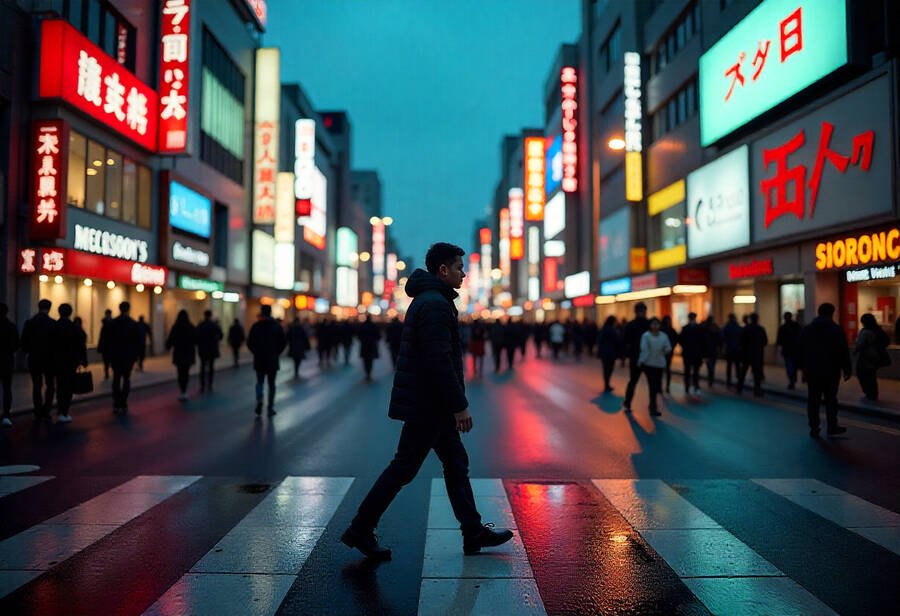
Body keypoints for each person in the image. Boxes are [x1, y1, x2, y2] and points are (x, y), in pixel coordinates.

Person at [341, 242, 512, 561]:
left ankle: (472, 531)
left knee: (453, 463)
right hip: (430, 406)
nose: (464, 272)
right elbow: (438, 360)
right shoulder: (434, 304)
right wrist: (459, 404)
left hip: (430, 403)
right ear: (443, 270)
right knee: (405, 468)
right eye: (459, 267)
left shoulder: (432, 300)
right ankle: (361, 528)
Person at [799, 303, 851, 437]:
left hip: (813, 370)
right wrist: (847, 368)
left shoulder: (808, 329)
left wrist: (803, 368)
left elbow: (800, 350)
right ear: (832, 313)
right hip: (831, 370)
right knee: (831, 399)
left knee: (813, 400)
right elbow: (843, 350)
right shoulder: (836, 329)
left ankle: (814, 427)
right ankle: (832, 426)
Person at [247, 304, 287, 416]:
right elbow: (283, 342)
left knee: (259, 382)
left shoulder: (256, 326)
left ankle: (259, 399)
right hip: (272, 360)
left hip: (259, 359)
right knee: (271, 384)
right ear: (270, 312)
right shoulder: (277, 326)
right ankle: (270, 407)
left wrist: (256, 352)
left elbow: (250, 342)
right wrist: (276, 353)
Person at [20, 299, 56, 419]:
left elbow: (24, 343)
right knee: (50, 385)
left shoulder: (30, 323)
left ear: (38, 307)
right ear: (49, 308)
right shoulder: (53, 323)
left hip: (34, 358)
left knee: (37, 385)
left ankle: (37, 410)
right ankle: (47, 410)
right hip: (49, 359)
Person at [53, 304, 87, 424]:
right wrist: (83, 360)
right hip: (70, 362)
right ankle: (64, 411)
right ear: (70, 313)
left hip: (56, 361)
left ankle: (59, 407)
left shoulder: (54, 326)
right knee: (68, 386)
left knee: (59, 384)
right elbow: (81, 344)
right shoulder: (75, 327)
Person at [108, 302, 143, 414]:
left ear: (119, 309)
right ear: (129, 309)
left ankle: (116, 403)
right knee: (126, 378)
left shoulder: (113, 323)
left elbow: (108, 341)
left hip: (116, 356)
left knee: (116, 378)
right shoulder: (133, 324)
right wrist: (136, 356)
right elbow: (139, 342)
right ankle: (123, 402)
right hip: (128, 356)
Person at [638, 317, 672, 417]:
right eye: (653, 324)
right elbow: (644, 349)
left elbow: (668, 348)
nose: (655, 326)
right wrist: (641, 360)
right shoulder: (646, 336)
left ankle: (652, 405)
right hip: (649, 364)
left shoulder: (663, 336)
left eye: (657, 324)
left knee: (656, 385)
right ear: (650, 325)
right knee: (652, 386)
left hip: (659, 364)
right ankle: (653, 407)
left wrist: (663, 351)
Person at [622, 303, 650, 413]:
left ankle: (628, 403)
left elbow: (625, 341)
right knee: (649, 382)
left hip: (637, 357)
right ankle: (652, 406)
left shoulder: (631, 325)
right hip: (644, 357)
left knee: (633, 381)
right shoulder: (649, 324)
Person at [855, 313, 890, 402]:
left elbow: (861, 344)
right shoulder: (878, 330)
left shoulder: (866, 331)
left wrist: (856, 350)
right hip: (875, 357)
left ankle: (869, 393)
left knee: (863, 375)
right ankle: (873, 394)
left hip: (866, 357)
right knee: (871, 376)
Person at [167, 310, 196, 401]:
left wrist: (168, 346)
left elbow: (171, 339)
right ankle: (185, 391)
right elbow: (196, 339)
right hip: (188, 353)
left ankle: (182, 390)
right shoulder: (190, 326)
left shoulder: (176, 327)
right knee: (186, 372)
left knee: (180, 372)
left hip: (179, 353)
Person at [737, 313, 768, 397]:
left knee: (744, 371)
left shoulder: (746, 329)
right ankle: (757, 390)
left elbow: (741, 342)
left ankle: (739, 387)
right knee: (756, 373)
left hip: (747, 354)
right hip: (756, 354)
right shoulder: (760, 329)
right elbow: (765, 342)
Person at [195, 310, 223, 393]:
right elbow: (221, 335)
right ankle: (210, 384)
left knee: (202, 367)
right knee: (211, 367)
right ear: (211, 315)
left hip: (203, 349)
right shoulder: (214, 325)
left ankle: (202, 385)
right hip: (212, 349)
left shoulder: (201, 325)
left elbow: (196, 336)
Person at [0, 303, 18, 427]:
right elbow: (16, 344)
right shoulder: (11, 326)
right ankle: (6, 415)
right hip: (6, 361)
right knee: (7, 389)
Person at [679, 313, 704, 395]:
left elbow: (703, 341)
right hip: (689, 353)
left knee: (694, 371)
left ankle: (694, 386)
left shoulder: (698, 328)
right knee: (689, 371)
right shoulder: (686, 328)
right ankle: (689, 387)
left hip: (694, 353)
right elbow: (681, 340)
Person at [776, 312, 802, 389]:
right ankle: (793, 380)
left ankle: (792, 380)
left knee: (790, 366)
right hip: (795, 350)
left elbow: (779, 340)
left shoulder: (783, 327)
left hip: (788, 350)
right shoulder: (796, 326)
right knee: (793, 366)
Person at [596, 315, 619, 393]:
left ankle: (606, 384)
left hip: (604, 353)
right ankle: (607, 384)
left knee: (605, 369)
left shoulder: (603, 329)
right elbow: (616, 340)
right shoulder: (612, 330)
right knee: (609, 369)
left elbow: (599, 341)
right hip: (610, 353)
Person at [722, 313, 743, 388]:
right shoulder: (736, 327)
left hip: (730, 349)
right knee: (736, 366)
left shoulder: (727, 327)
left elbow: (722, 337)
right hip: (735, 349)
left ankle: (729, 381)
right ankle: (738, 380)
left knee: (730, 366)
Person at [358, 314, 381, 381]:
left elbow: (359, 335)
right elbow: (378, 336)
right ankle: (369, 373)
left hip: (364, 345)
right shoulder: (374, 326)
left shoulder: (362, 325)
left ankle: (367, 373)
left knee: (365, 360)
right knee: (370, 360)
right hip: (372, 345)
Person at [701, 316, 722, 388]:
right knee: (711, 365)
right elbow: (719, 339)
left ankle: (711, 378)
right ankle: (711, 378)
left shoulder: (705, 328)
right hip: (712, 350)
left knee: (710, 365)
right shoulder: (714, 328)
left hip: (709, 350)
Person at [660, 316, 678, 393]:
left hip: (667, 352)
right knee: (663, 370)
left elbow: (675, 339)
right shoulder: (665, 330)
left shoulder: (670, 330)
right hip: (662, 352)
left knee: (665, 369)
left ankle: (666, 386)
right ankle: (663, 386)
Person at [97, 308, 113, 380]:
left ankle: (108, 372)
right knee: (106, 360)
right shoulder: (108, 323)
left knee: (108, 360)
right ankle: (107, 373)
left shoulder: (109, 323)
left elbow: (102, 336)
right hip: (107, 346)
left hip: (108, 345)